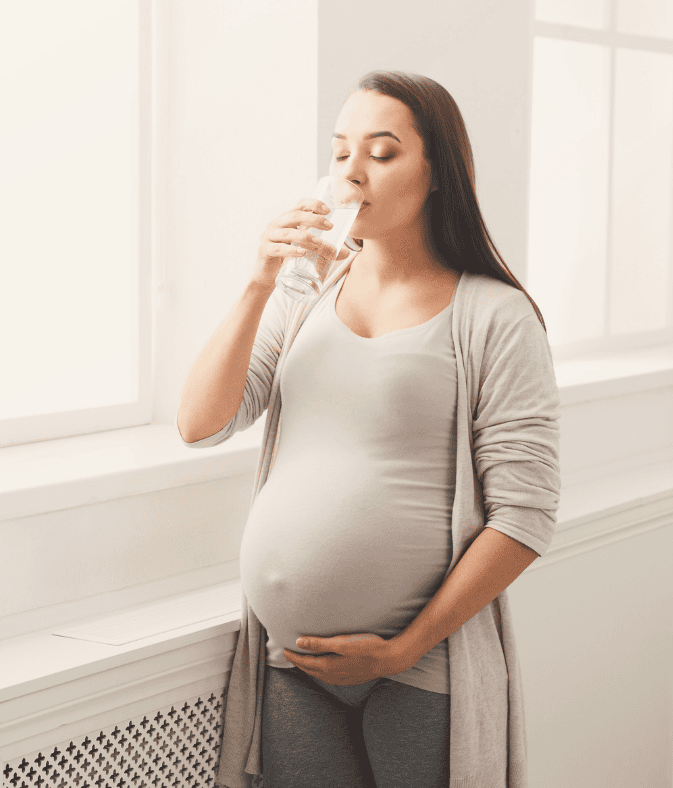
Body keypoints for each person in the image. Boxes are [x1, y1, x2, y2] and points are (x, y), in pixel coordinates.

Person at [176, 70, 561, 788]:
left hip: (420, 669)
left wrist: (401, 649)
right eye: (340, 150)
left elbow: (526, 516)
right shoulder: (303, 292)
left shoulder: (494, 316)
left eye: (382, 153)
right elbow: (201, 423)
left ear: (438, 171)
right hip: (292, 665)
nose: (351, 173)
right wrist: (260, 281)